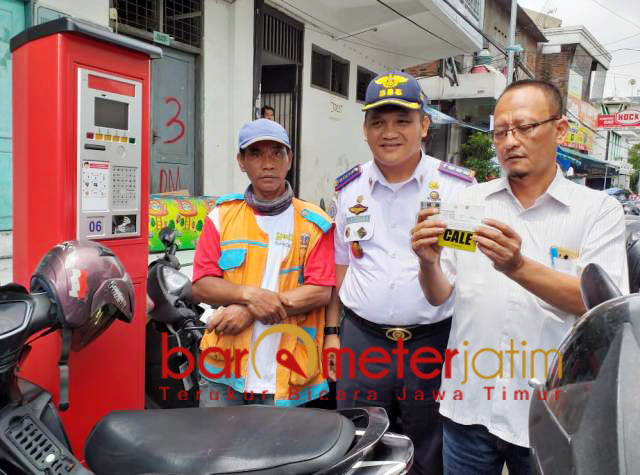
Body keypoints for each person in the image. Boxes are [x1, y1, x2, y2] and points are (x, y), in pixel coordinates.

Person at [410, 79, 629, 474]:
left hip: (551, 412)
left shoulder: (597, 211)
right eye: (500, 132)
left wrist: (518, 267)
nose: (510, 141)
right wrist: (427, 261)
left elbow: (602, 306)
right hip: (468, 402)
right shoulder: (470, 202)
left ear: (559, 130)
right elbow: (439, 295)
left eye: (524, 127)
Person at [327, 71, 475, 475]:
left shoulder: (458, 189)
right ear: (365, 129)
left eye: (402, 121)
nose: (388, 132)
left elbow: (467, 265)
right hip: (363, 338)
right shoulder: (349, 188)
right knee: (357, 442)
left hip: (432, 341)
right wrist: (335, 331)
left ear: (424, 126)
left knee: (431, 445)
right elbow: (343, 263)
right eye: (378, 121)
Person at [192, 118, 337, 407]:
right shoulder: (221, 217)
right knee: (215, 449)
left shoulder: (315, 224)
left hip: (287, 372)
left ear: (290, 159)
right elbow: (201, 285)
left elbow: (320, 291)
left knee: (280, 453)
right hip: (224, 368)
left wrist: (249, 311)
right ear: (241, 161)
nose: (268, 163)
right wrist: (251, 296)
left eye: (276, 153)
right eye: (256, 154)